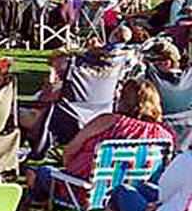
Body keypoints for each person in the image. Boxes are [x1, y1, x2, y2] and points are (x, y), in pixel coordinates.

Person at [25, 79, 174, 201]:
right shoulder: (165, 135)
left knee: (38, 172)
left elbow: (71, 150)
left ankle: (41, 197)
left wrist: (70, 169)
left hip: (84, 189)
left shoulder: (108, 122)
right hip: (134, 193)